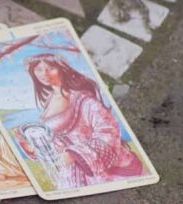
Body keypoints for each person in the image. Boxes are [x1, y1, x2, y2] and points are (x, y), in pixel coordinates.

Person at [16, 53, 145, 189]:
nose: (44, 74)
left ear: (62, 69)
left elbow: (108, 130)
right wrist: (32, 144)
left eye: (50, 68)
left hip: (96, 164)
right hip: (70, 170)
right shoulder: (50, 100)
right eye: (39, 69)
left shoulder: (83, 99)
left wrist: (74, 154)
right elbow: (58, 139)